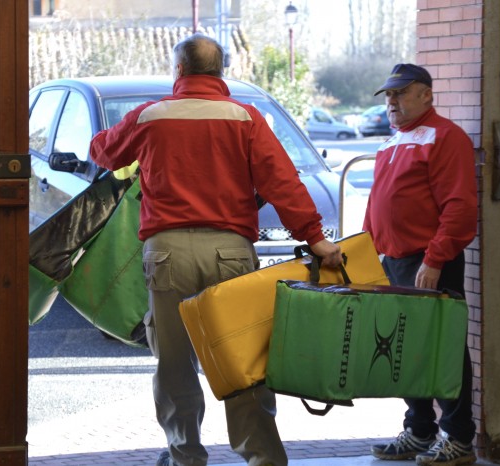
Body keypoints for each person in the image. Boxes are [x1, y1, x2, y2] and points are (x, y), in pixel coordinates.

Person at [90, 33, 342, 466]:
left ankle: (185, 455)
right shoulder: (245, 117)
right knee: (240, 360)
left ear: (180, 71)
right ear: (221, 71)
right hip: (231, 252)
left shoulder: (150, 116)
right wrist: (316, 238)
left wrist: (119, 139)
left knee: (174, 362)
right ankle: (262, 457)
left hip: (166, 253)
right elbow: (282, 182)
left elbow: (105, 152)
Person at [363, 63, 478, 466]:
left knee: (444, 349)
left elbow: (460, 208)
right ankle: (419, 429)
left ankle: (459, 437)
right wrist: (365, 253)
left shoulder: (446, 138)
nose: (392, 101)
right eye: (388, 95)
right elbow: (378, 205)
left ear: (426, 94)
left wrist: (435, 258)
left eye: (401, 93)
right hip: (393, 261)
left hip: (429, 261)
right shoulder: (393, 141)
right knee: (404, 350)